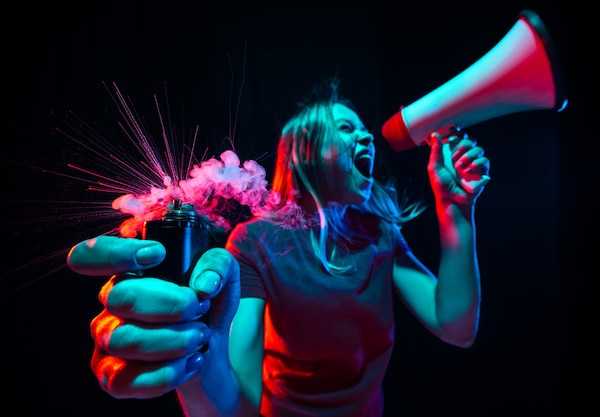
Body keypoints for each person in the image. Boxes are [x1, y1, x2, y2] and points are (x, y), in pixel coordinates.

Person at [67, 77, 491, 417]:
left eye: (365, 131)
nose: (367, 139)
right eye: (346, 129)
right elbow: (239, 404)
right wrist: (198, 363)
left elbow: (455, 326)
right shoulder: (254, 242)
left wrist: (456, 211)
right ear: (303, 150)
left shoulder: (378, 231)